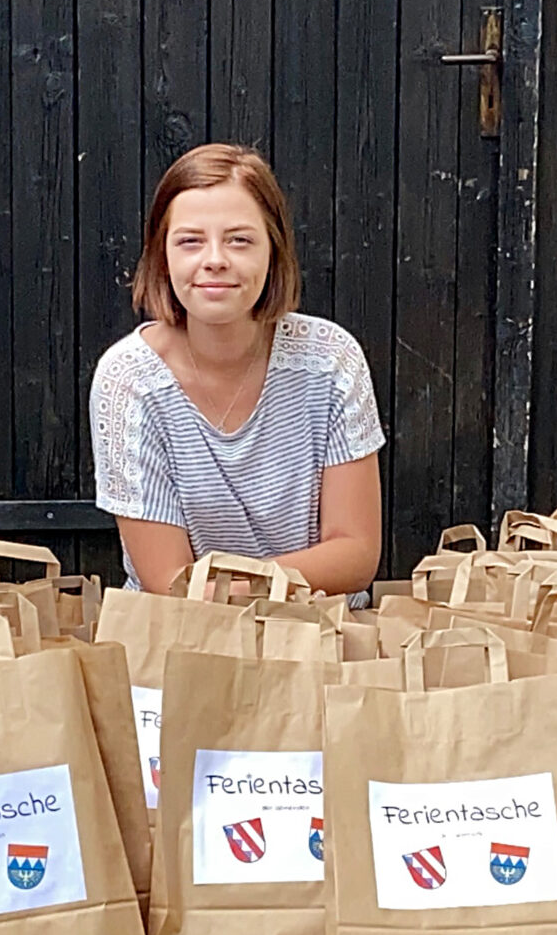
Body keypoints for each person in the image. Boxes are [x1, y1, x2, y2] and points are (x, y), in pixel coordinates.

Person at [89, 143, 383, 599]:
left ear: (274, 251)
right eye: (190, 241)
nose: (215, 259)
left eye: (239, 240)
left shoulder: (331, 360)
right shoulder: (128, 380)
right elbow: (168, 583)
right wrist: (272, 587)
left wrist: (241, 590)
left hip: (318, 627)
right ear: (161, 255)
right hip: (183, 633)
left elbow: (356, 555)